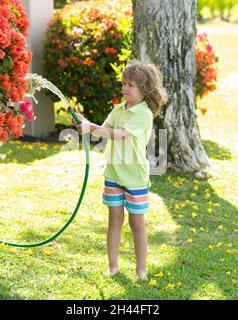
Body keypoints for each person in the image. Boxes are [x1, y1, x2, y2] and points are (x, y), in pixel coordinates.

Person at [72, 60, 168, 280]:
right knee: (114, 219)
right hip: (114, 174)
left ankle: (141, 270)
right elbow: (105, 130)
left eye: (130, 85)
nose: (125, 89)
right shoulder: (118, 109)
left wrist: (90, 127)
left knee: (137, 223)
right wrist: (87, 124)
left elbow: (120, 134)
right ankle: (113, 266)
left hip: (134, 178)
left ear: (144, 89)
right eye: (124, 84)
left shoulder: (143, 114)